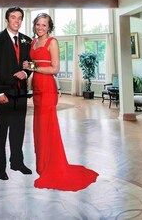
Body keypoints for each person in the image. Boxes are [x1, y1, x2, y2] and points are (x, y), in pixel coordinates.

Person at [24, 13, 98, 191]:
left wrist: (33, 67)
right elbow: (32, 64)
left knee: (49, 126)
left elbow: (55, 69)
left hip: (48, 87)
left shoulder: (53, 42)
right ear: (34, 26)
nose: (40, 28)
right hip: (36, 87)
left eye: (44, 25)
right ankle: (42, 165)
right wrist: (27, 67)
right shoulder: (33, 43)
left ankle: (54, 166)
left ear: (49, 27)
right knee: (39, 127)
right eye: (38, 24)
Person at [0, 7, 33, 180]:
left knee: (19, 129)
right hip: (3, 93)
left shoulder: (27, 40)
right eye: (13, 17)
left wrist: (26, 72)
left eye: (20, 18)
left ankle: (17, 162)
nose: (17, 21)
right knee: (2, 130)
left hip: (20, 93)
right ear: (7, 19)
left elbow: (31, 64)